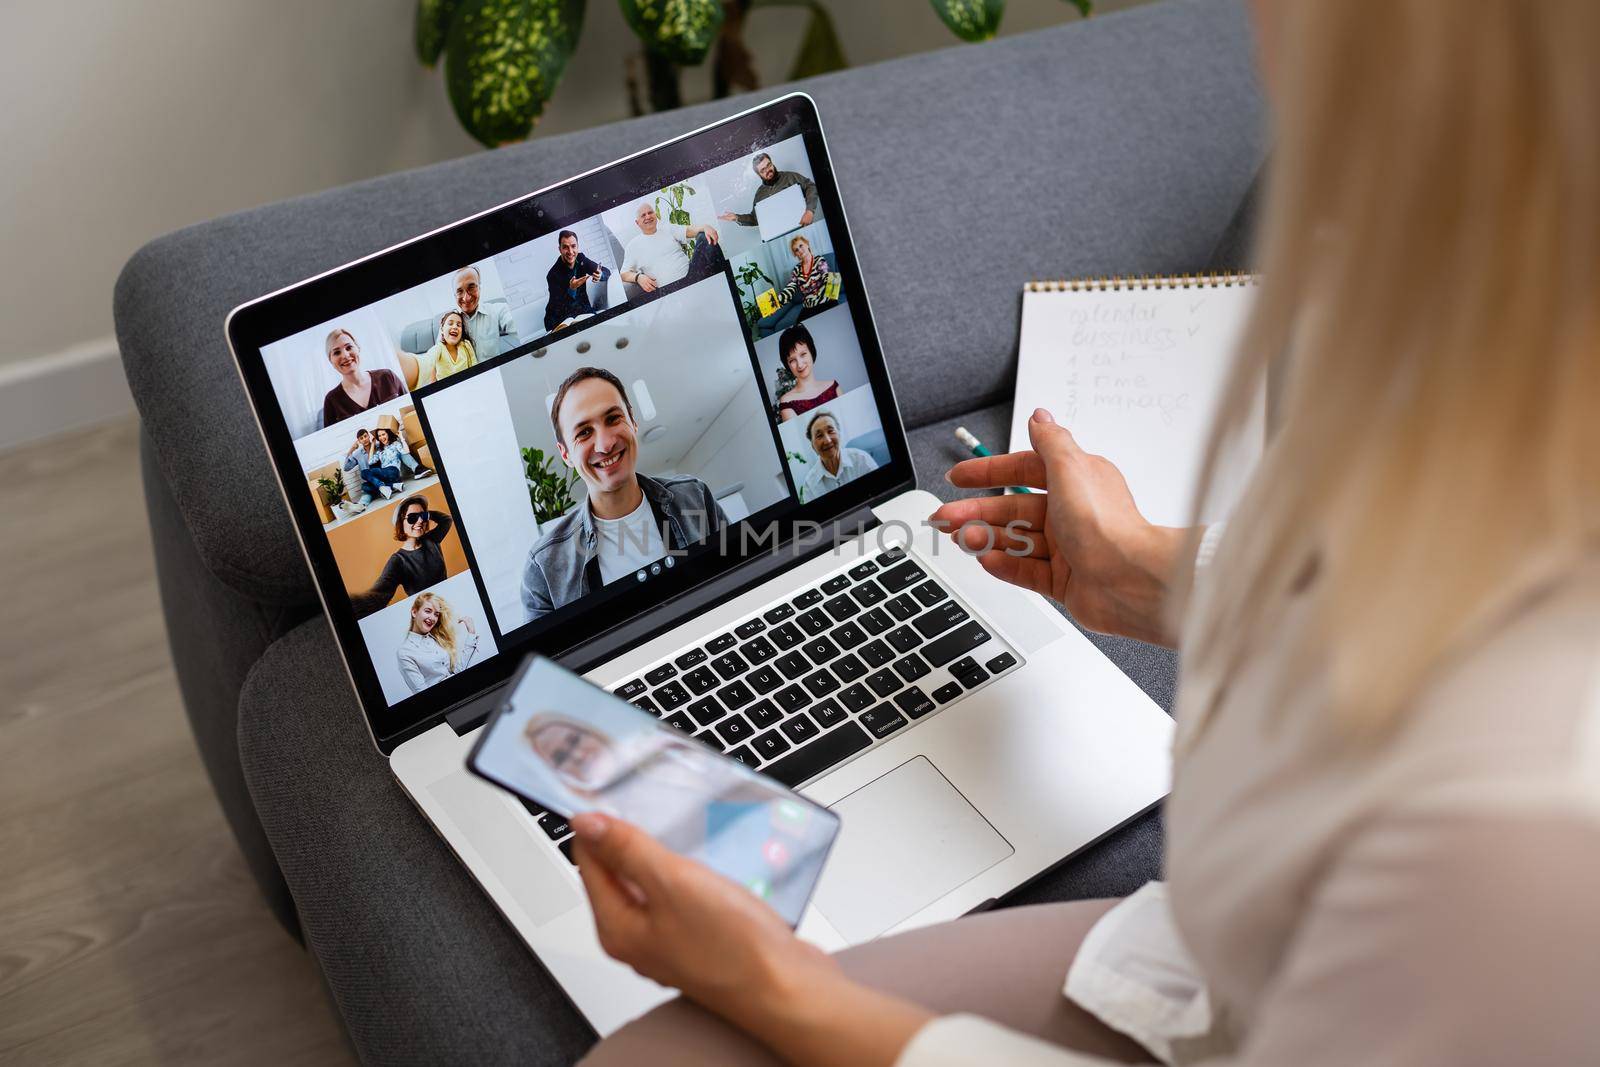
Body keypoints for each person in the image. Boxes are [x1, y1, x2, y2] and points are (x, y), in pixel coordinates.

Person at [568, 2, 1600, 1065]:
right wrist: (1160, 575)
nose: (1255, 32)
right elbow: (1430, 586)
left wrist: (781, 988)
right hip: (1249, 951)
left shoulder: (1529, 826)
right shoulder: (1468, 327)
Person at [521, 367, 727, 623]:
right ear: (565, 455)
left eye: (613, 419)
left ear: (633, 420)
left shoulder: (695, 496)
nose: (605, 444)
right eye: (584, 432)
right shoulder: (543, 568)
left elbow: (740, 579)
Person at [351, 497, 456, 618]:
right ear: (401, 523)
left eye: (423, 516)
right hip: (429, 617)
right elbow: (379, 593)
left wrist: (426, 514)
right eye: (412, 518)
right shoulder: (398, 560)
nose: (420, 521)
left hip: (448, 603)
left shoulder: (431, 539)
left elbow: (446, 520)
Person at [619, 202, 726, 295]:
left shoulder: (667, 229)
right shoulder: (633, 246)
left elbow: (689, 231)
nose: (648, 216)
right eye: (643, 215)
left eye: (650, 212)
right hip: (671, 291)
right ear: (637, 222)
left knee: (703, 236)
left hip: (693, 275)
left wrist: (704, 227)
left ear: (655, 215)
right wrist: (638, 277)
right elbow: (623, 274)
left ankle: (724, 281)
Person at [321, 328, 406, 429]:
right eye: (337, 352)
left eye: (349, 347)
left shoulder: (387, 377)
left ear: (358, 348)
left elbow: (411, 411)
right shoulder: (331, 400)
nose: (345, 355)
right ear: (330, 360)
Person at [397, 591, 478, 693]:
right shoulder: (405, 653)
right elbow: (421, 693)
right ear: (414, 612)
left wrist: (471, 634)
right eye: (428, 611)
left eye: (436, 614)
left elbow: (457, 672)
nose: (432, 618)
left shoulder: (437, 639)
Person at [717, 152, 821, 230]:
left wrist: (809, 211)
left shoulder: (790, 176)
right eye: (763, 170)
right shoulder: (759, 194)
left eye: (769, 165)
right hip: (780, 234)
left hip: (804, 227)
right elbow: (755, 218)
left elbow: (811, 187)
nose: (768, 170)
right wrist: (736, 217)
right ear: (759, 175)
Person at [756, 235, 833, 338]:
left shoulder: (820, 260)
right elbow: (790, 288)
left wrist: (832, 291)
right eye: (796, 250)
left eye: (801, 246)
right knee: (800, 333)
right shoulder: (796, 270)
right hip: (808, 307)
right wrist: (774, 306)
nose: (800, 250)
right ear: (795, 254)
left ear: (807, 244)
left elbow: (827, 276)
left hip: (825, 303)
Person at [798, 411, 877, 499]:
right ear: (813, 446)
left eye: (830, 431)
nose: (827, 441)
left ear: (839, 434)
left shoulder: (861, 459)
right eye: (819, 436)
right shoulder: (809, 484)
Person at [545, 230, 610, 331]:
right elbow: (558, 306)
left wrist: (600, 275)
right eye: (565, 247)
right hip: (558, 316)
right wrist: (572, 290)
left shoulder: (581, 259)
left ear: (578, 247)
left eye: (573, 246)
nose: (570, 251)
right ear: (560, 249)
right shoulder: (552, 275)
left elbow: (606, 271)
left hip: (582, 308)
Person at [773, 324, 840, 421]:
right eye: (792, 360)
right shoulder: (786, 402)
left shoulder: (834, 386)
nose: (799, 364)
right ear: (787, 364)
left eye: (803, 354)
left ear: (811, 352)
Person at [454, 265, 521, 359]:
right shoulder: (448, 322)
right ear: (454, 295)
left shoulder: (497, 310)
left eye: (471, 287)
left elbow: (517, 326)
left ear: (479, 288)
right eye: (460, 291)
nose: (466, 298)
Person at [423, 309, 476, 384]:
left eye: (458, 325)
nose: (455, 327)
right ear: (442, 329)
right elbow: (429, 360)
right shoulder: (439, 349)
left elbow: (475, 368)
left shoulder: (466, 345)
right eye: (450, 323)